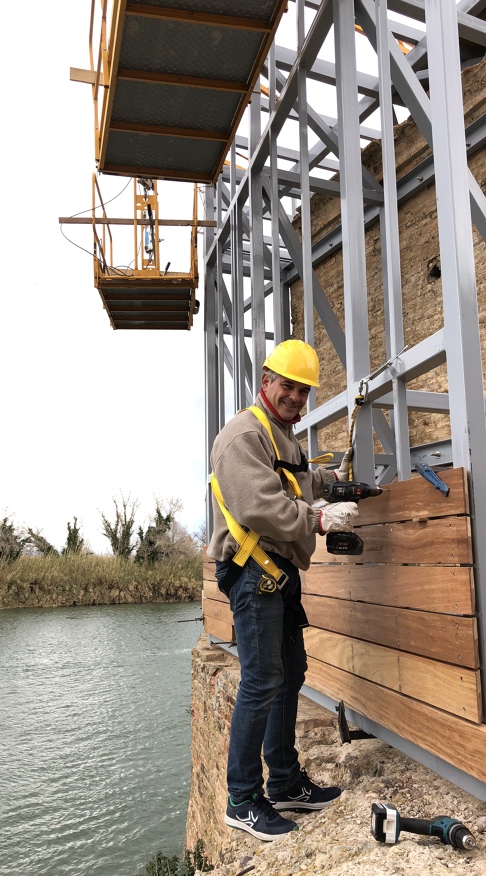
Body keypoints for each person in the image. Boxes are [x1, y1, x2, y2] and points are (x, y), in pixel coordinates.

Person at [207, 339, 359, 842]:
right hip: (254, 572)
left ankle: (285, 782)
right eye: (288, 386)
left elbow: (298, 477)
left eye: (303, 391)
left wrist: (333, 482)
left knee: (289, 674)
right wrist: (317, 519)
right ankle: (242, 800)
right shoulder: (243, 435)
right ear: (265, 382)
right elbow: (259, 505)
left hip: (278, 573)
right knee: (261, 680)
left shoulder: (282, 438)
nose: (295, 397)